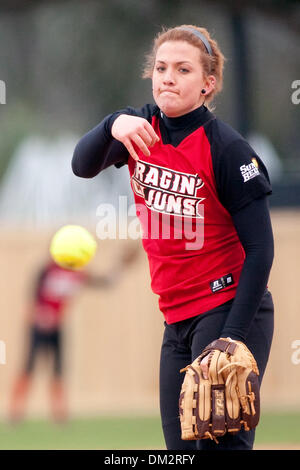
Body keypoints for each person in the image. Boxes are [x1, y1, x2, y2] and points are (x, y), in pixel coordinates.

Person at [71, 25, 274, 450]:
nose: (168, 77)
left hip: (228, 309)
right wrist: (113, 123)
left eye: (183, 69)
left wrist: (232, 337)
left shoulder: (228, 149)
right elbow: (81, 166)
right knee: (178, 451)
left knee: (220, 446)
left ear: (207, 84)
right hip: (176, 318)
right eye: (161, 67)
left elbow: (260, 250)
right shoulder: (138, 130)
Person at [9, 246, 138, 423]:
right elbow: (32, 301)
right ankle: (15, 412)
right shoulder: (45, 270)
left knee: (58, 370)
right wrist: (40, 315)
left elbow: (106, 282)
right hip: (38, 327)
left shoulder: (75, 274)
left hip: (57, 327)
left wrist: (121, 266)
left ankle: (59, 415)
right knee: (28, 367)